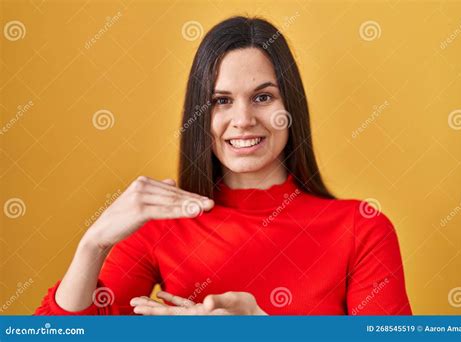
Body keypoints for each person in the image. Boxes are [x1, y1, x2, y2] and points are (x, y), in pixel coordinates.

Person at [35, 16, 412, 316]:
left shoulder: (361, 229)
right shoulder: (158, 229)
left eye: (262, 96)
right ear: (200, 114)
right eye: (221, 101)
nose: (243, 119)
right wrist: (93, 245)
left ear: (290, 108)